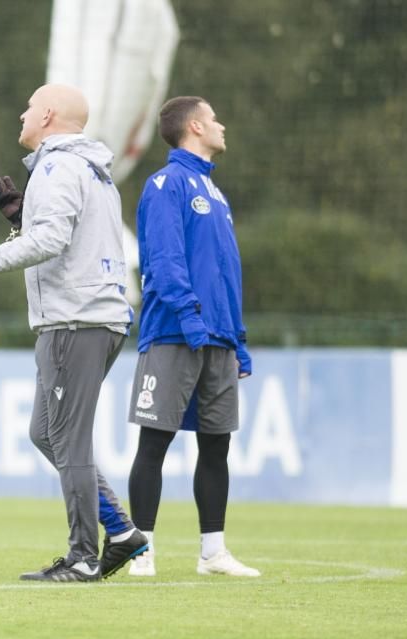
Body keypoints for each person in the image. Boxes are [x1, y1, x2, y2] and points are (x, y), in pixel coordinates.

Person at [0, 83, 148, 582]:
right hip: (90, 316)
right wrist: (22, 218)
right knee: (45, 433)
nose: (22, 117)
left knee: (67, 441)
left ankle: (82, 557)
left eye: (28, 108)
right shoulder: (91, 169)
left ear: (48, 114)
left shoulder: (57, 164)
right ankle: (122, 534)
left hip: (76, 319)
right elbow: (66, 234)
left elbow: (52, 239)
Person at [125, 96, 260, 578]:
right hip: (175, 333)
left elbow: (226, 274)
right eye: (216, 118)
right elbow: (162, 261)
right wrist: (190, 319)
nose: (224, 125)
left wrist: (235, 338)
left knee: (216, 445)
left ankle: (213, 552)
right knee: (155, 442)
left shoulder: (216, 193)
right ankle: (141, 551)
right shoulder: (166, 184)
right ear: (197, 126)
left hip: (219, 337)